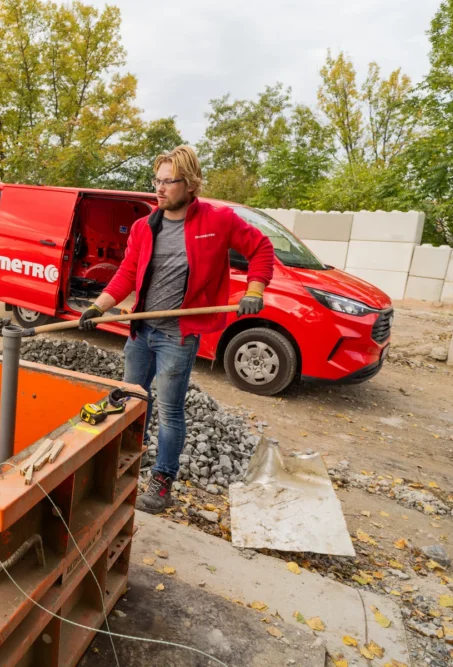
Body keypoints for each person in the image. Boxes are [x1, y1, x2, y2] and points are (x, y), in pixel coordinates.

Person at [78, 146, 275, 514]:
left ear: (190, 184)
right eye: (157, 181)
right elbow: (127, 274)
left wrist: (254, 290)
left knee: (169, 410)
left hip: (177, 336)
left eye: (169, 181)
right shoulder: (144, 226)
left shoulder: (218, 221)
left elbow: (262, 248)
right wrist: (97, 306)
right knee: (132, 401)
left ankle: (162, 479)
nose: (160, 188)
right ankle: (127, 463)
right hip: (141, 331)